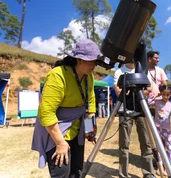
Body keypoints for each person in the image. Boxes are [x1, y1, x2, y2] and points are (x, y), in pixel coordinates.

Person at [32, 39, 100, 178]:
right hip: (55, 130)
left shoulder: (89, 77)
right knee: (61, 172)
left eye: (96, 61)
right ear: (79, 60)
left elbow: (90, 105)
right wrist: (60, 143)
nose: (95, 65)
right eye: (91, 60)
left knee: (77, 171)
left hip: (76, 130)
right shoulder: (58, 75)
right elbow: (46, 112)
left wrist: (89, 130)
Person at [114, 61, 155, 178]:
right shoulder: (119, 72)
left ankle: (148, 173)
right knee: (124, 144)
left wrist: (133, 90)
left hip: (141, 110)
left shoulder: (142, 71)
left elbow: (149, 88)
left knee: (146, 143)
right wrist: (136, 89)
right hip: (125, 110)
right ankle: (123, 174)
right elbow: (118, 91)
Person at [154, 85, 171, 176]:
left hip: (166, 129)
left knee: (169, 148)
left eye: (167, 95)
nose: (165, 97)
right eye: (163, 94)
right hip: (157, 128)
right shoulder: (156, 102)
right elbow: (147, 102)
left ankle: (169, 166)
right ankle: (160, 167)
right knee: (159, 148)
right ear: (161, 93)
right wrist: (156, 96)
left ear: (170, 95)